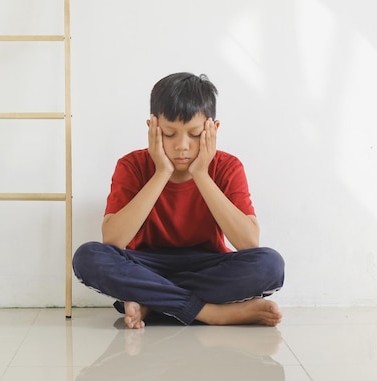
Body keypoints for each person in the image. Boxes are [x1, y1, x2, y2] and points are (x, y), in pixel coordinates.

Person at [72, 72, 285, 328]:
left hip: (206, 265)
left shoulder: (228, 167)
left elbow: (249, 242)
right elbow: (114, 240)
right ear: (153, 127)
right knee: (88, 256)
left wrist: (201, 174)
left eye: (194, 134)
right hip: (146, 266)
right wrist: (162, 171)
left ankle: (150, 301)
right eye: (170, 134)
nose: (181, 146)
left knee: (270, 265)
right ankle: (211, 313)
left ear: (213, 129)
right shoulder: (132, 165)